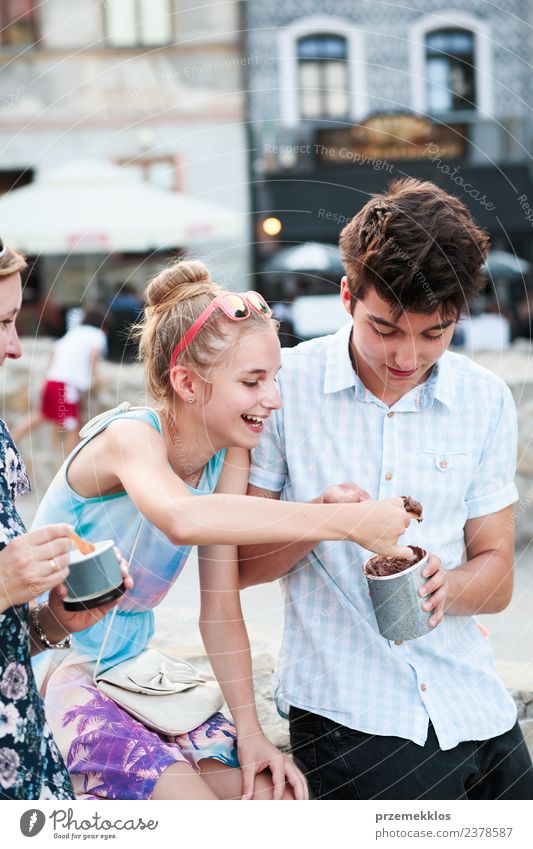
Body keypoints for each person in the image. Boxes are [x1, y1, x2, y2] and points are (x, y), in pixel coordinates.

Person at [31, 259, 415, 801]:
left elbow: (220, 607)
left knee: (274, 797)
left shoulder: (229, 452)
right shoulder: (127, 438)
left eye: (274, 379)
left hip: (133, 672)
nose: (273, 399)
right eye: (252, 381)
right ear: (186, 382)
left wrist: (253, 733)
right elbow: (181, 518)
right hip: (53, 665)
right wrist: (343, 522)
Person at [240, 178, 533, 800]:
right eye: (385, 328)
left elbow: (499, 575)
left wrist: (443, 587)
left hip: (478, 705)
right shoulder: (283, 389)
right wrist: (324, 520)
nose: (406, 356)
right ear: (348, 296)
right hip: (352, 713)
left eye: (435, 334)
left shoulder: (483, 399)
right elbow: (240, 565)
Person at [0, 240, 131, 800]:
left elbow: (11, 643)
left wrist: (54, 622)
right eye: (2, 323)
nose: (12, 347)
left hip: (27, 757)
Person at [13, 304, 108, 454]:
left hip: (52, 380)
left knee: (42, 415)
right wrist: (97, 377)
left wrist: (51, 369)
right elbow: (94, 354)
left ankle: (11, 440)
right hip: (65, 386)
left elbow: (54, 349)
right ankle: (72, 465)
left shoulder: (74, 333)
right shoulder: (97, 335)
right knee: (72, 425)